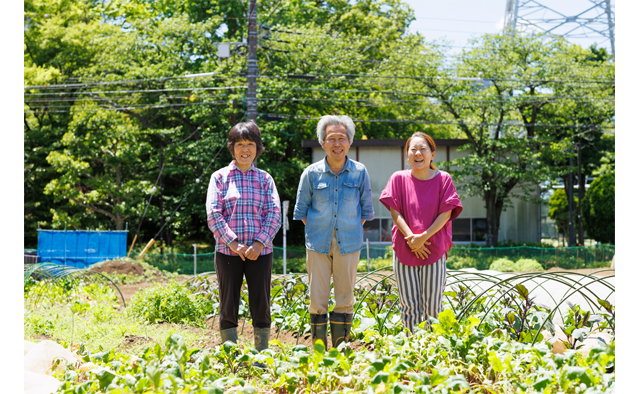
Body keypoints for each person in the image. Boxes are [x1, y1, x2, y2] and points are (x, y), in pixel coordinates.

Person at [293, 115, 375, 349]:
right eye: (331, 139)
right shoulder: (311, 173)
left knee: (345, 297)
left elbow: (365, 210)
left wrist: (345, 232)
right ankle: (319, 348)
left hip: (349, 244)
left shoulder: (360, 172)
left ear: (349, 142)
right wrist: (321, 231)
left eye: (342, 138)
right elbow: (302, 210)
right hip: (317, 243)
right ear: (322, 143)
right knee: (317, 298)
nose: (337, 143)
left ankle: (341, 346)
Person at [206, 121, 282, 352]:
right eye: (240, 144)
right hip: (228, 252)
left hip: (261, 252)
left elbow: (274, 213)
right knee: (228, 304)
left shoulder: (265, 179)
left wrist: (259, 243)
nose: (245, 149)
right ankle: (231, 353)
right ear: (232, 148)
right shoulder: (219, 177)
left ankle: (261, 353)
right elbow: (213, 214)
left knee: (261, 303)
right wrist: (235, 243)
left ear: (257, 148)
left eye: (250, 144)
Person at [379, 132, 463, 333]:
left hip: (433, 248)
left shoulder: (443, 179)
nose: (418, 153)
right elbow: (395, 211)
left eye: (423, 149)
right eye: (413, 149)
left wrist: (422, 238)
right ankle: (413, 350)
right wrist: (412, 239)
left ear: (432, 154)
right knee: (409, 305)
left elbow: (446, 212)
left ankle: (433, 350)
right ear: (407, 155)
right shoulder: (398, 178)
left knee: (434, 306)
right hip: (404, 247)